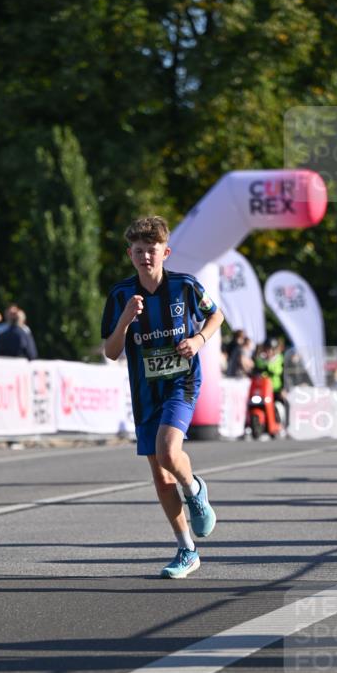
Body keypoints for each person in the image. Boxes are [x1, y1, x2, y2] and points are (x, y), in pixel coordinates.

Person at [102, 215, 224, 579]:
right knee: (159, 474)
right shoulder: (121, 295)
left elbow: (216, 316)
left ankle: (194, 488)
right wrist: (124, 321)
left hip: (181, 383)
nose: (145, 258)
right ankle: (187, 550)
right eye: (138, 251)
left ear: (165, 252)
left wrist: (199, 339)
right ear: (130, 255)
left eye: (152, 251)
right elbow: (110, 351)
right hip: (145, 390)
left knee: (169, 451)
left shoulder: (185, 286)